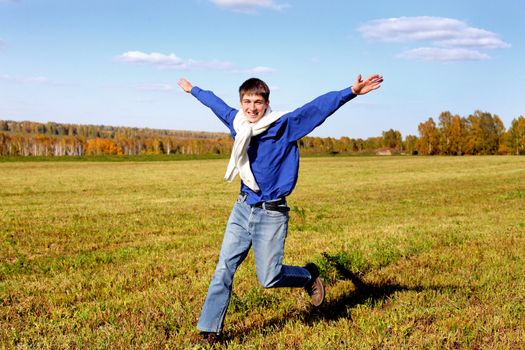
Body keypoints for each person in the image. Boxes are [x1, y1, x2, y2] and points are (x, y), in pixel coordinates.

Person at [178, 73, 383, 345]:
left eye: (258, 102)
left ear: (267, 103)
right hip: (242, 208)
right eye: (247, 102)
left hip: (272, 213)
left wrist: (351, 92)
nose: (252, 108)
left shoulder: (284, 125)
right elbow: (215, 103)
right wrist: (193, 90)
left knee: (270, 277)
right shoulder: (238, 123)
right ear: (241, 103)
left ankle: (308, 275)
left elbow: (317, 108)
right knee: (223, 269)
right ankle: (210, 331)